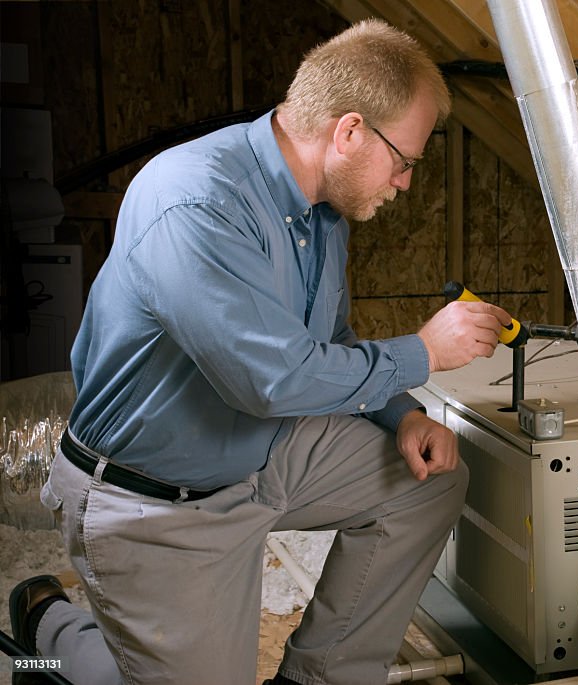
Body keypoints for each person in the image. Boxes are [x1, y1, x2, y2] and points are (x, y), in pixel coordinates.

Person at [8, 19, 511, 685]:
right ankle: (49, 623)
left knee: (429, 482)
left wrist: (403, 415)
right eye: (406, 160)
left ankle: (317, 677)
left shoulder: (321, 212)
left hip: (258, 454)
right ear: (350, 131)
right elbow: (270, 382)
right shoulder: (195, 199)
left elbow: (329, 347)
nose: (406, 182)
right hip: (154, 504)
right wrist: (424, 351)